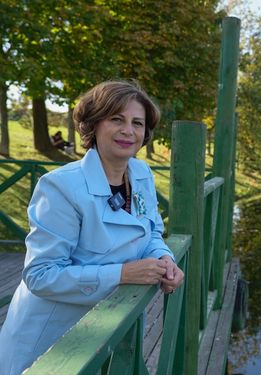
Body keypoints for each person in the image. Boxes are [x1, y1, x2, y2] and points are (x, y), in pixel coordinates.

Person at [0, 80, 184, 375]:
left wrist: (165, 258)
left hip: (102, 332)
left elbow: (150, 231)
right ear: (94, 125)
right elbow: (40, 275)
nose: (128, 130)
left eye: (137, 123)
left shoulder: (140, 173)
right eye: (116, 119)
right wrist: (122, 274)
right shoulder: (61, 186)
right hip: (48, 342)